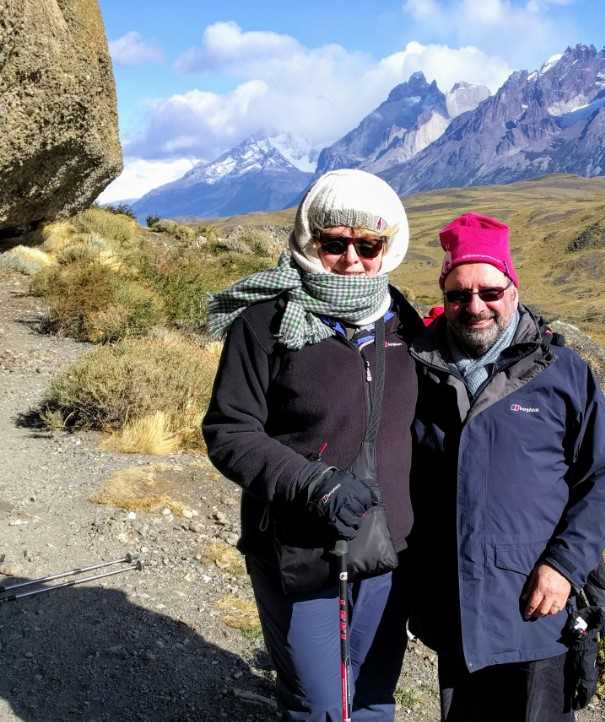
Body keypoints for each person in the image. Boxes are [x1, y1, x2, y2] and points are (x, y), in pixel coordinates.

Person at [202, 169, 422, 722]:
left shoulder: (401, 318)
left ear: (387, 247)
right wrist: (315, 485)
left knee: (373, 692)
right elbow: (229, 430)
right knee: (320, 704)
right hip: (297, 545)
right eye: (335, 242)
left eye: (368, 245)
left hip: (388, 546)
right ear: (309, 238)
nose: (352, 259)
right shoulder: (266, 321)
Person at [407, 212, 605, 722]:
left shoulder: (561, 371)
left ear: (512, 287)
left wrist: (565, 566)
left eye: (489, 291)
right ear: (444, 291)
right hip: (455, 608)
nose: (475, 306)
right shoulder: (417, 370)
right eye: (459, 294)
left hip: (535, 607)